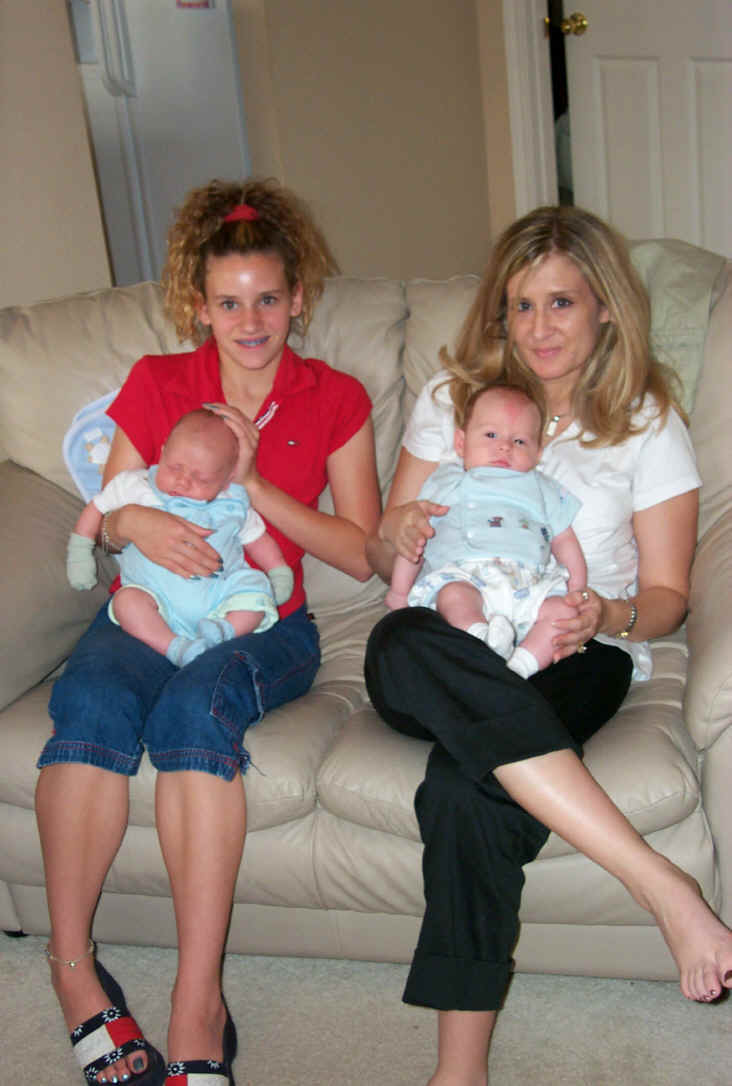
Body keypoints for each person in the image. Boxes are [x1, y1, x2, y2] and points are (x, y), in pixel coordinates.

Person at [364, 204, 732, 1086]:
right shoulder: (453, 401)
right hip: (445, 637)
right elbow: (384, 550)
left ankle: (458, 1073)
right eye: (521, 305)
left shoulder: (645, 421)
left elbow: (668, 596)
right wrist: (397, 531)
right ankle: (658, 881)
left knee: (466, 787)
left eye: (561, 303)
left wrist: (603, 614)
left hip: (572, 647)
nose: (539, 329)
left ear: (605, 305)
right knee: (402, 638)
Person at [36, 178, 381, 1086]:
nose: (250, 320)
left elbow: (361, 552)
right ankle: (72, 970)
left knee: (195, 713)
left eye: (267, 299)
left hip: (261, 620)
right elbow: (110, 515)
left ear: (297, 298)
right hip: (146, 605)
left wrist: (255, 483)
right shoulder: (159, 383)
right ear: (200, 305)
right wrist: (138, 523)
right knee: (91, 700)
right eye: (229, 303)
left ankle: (199, 1000)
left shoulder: (335, 395)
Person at [67, 408, 293, 667]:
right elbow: (96, 509)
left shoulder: (232, 503)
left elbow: (258, 540)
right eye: (174, 467)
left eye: (201, 478)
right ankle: (174, 647)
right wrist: (79, 552)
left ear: (226, 480)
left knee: (256, 590)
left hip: (220, 598)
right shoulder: (134, 486)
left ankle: (223, 631)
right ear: (163, 453)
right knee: (126, 602)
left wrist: (278, 572)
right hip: (154, 599)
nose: (182, 482)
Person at [387, 383, 586, 678]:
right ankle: (480, 638)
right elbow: (414, 539)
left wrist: (577, 592)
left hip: (529, 583)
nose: (504, 446)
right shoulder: (447, 483)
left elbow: (565, 541)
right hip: (468, 577)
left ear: (537, 453)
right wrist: (399, 591)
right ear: (461, 443)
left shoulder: (544, 489)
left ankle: (520, 667)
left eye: (519, 441)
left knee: (561, 615)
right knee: (453, 596)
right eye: (491, 435)